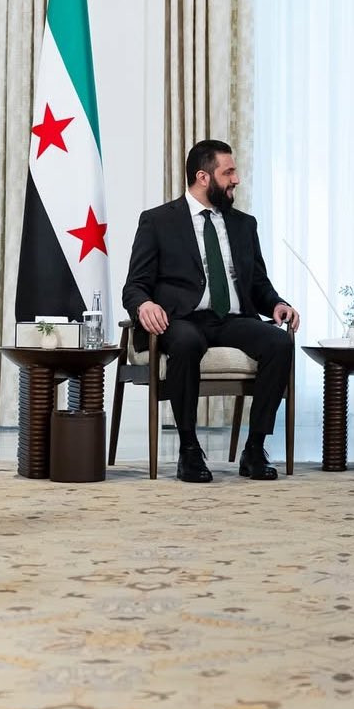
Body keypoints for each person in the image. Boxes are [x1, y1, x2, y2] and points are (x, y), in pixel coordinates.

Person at [122, 140, 299, 483]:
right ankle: (189, 450)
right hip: (181, 319)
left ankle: (254, 448)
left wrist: (277, 304)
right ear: (203, 177)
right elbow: (135, 285)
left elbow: (258, 283)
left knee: (279, 343)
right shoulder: (158, 221)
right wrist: (145, 304)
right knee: (187, 342)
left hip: (231, 319)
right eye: (228, 172)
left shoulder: (244, 224)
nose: (236, 179)